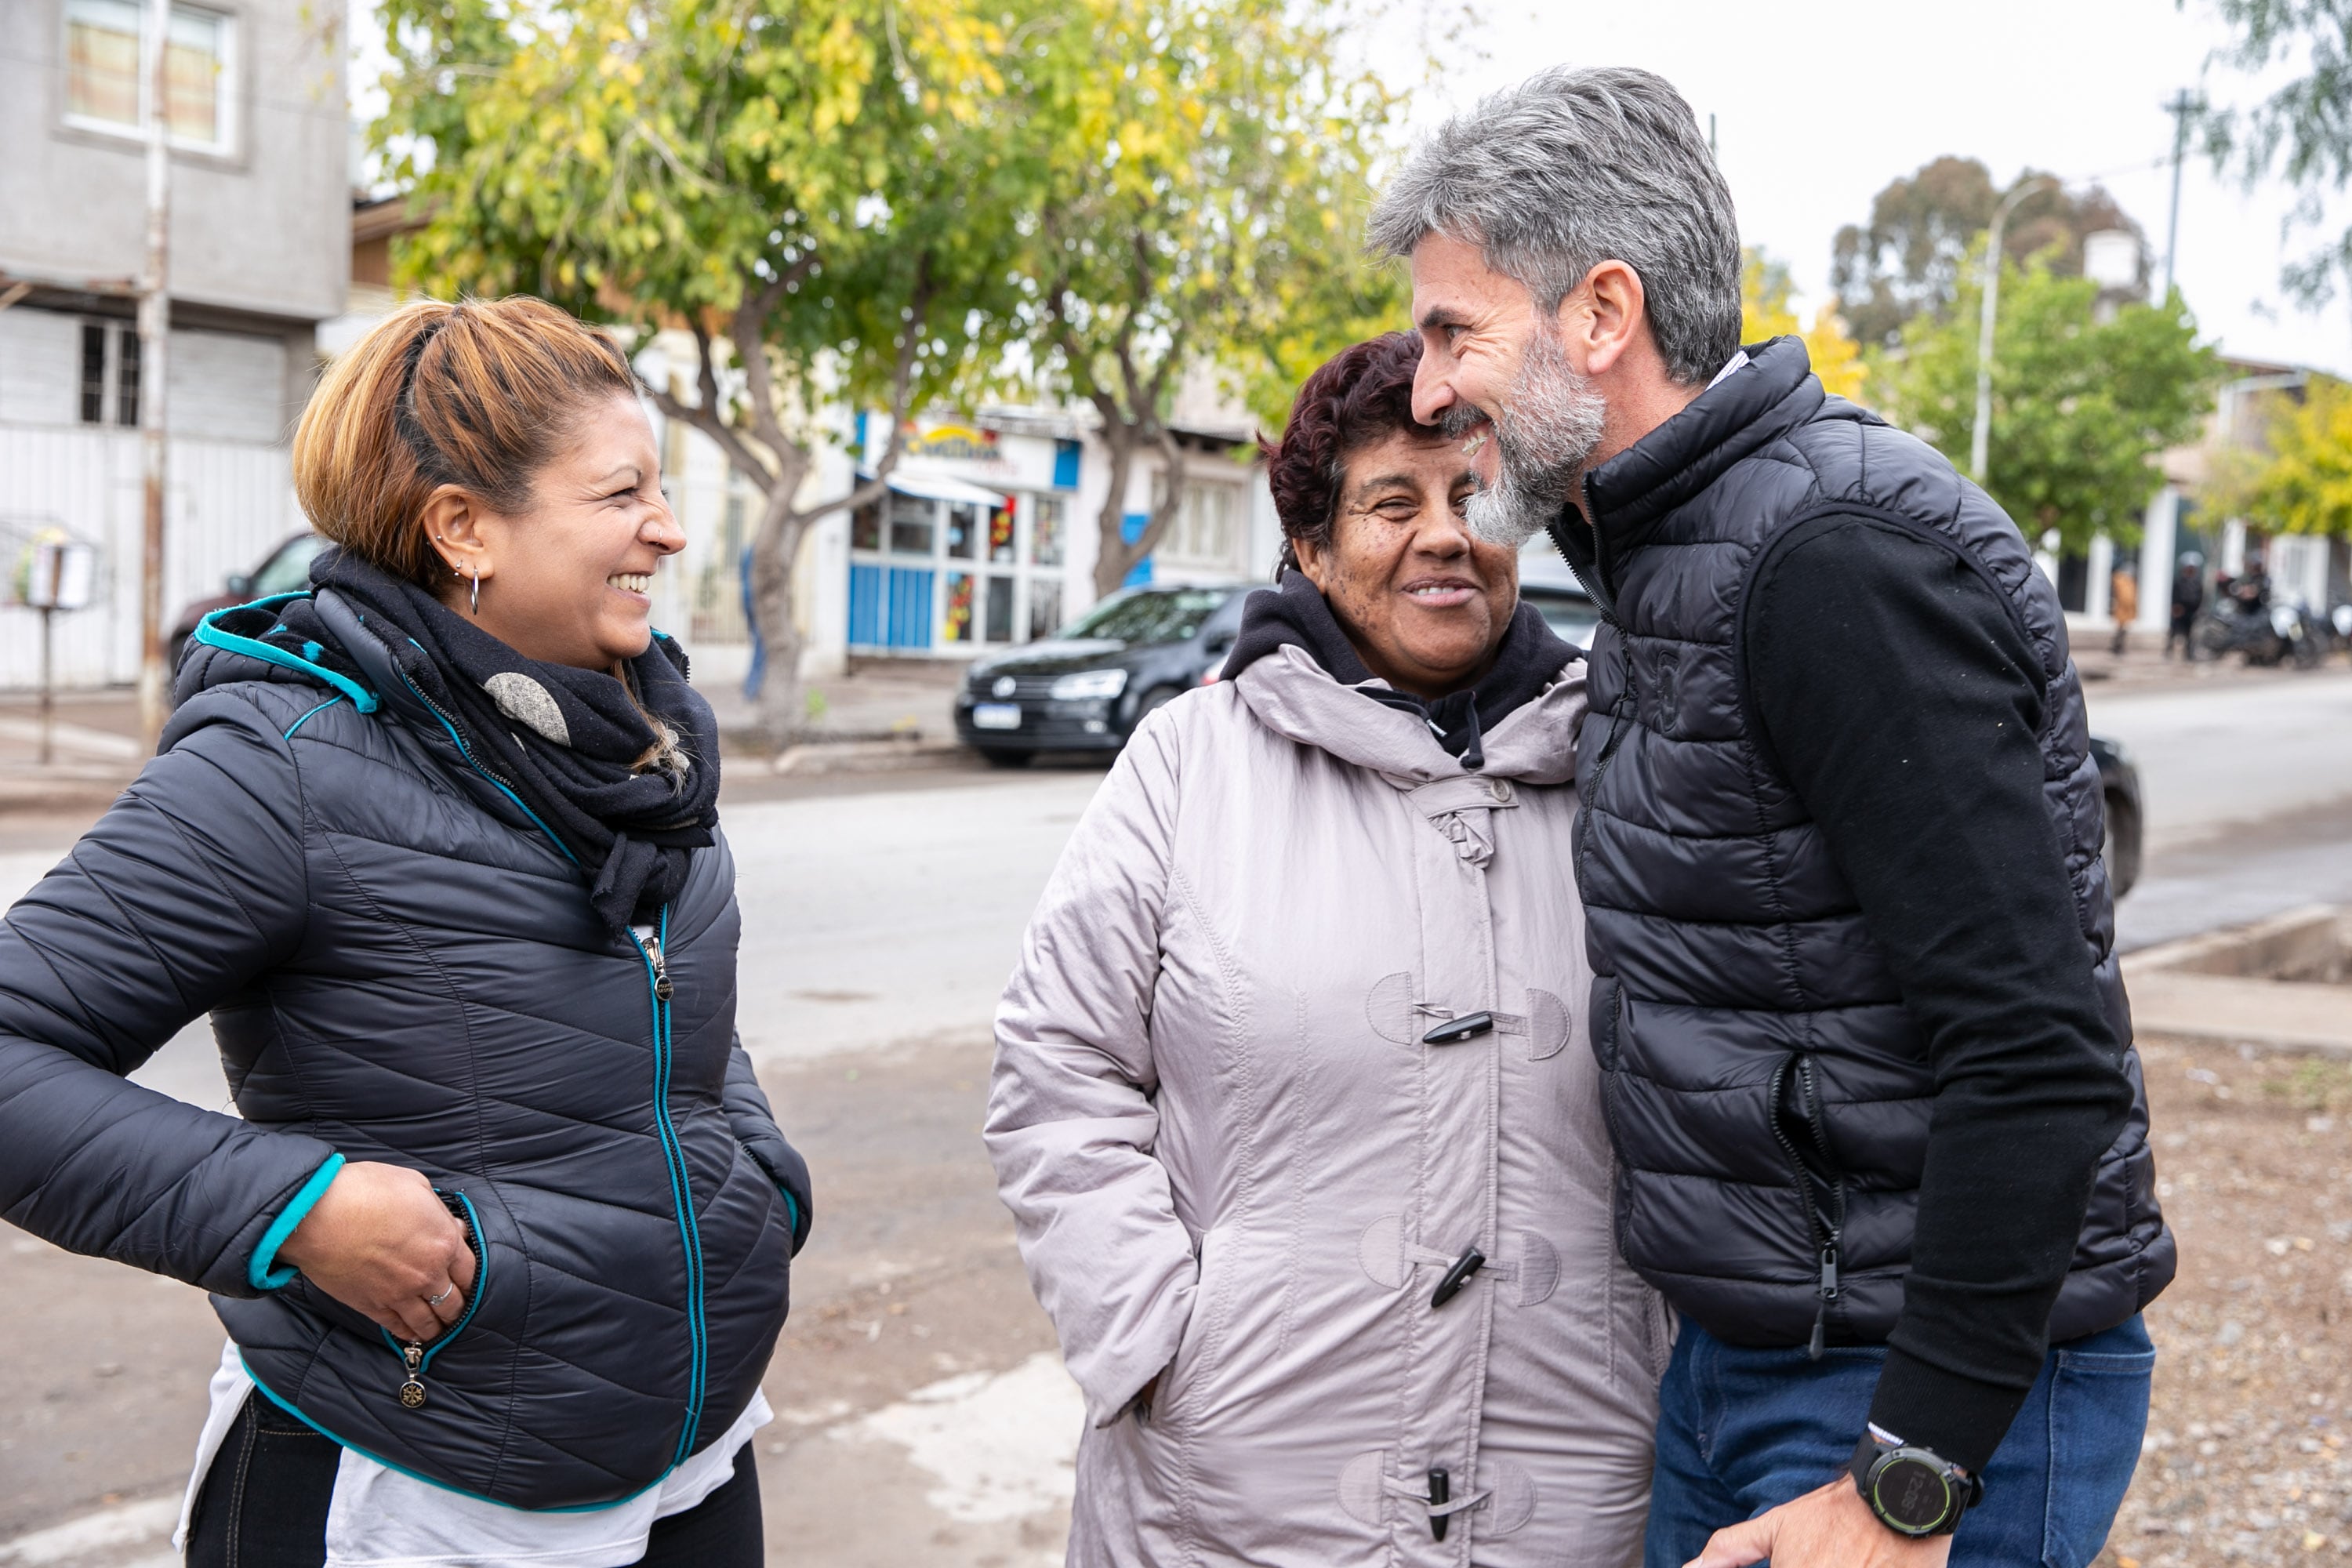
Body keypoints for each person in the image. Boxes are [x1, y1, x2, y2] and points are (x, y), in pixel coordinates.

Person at [1369, 66, 2172, 1568]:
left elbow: (2038, 1052)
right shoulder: (1673, 552)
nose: (1424, 390)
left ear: (1601, 317)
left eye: (1453, 331)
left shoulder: (1831, 559)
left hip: (1901, 1390)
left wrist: (1913, 1475)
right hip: (1760, 1356)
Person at [0, 296, 811, 1567]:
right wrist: (302, 1208)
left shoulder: (638, 747)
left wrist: (746, 1166)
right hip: (413, 1494)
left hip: (692, 1455)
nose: (667, 527)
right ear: (463, 527)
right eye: (620, 496)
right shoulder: (282, 767)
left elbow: (667, 1013)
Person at [986, 332, 1664, 1566]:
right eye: (1390, 503)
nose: (1444, 535)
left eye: (1477, 497)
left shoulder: (1618, 768)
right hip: (1234, 1486)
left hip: (1570, 1480)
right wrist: (1151, 1342)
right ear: (1310, 546)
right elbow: (1055, 1065)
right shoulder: (1191, 763)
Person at [2166, 554, 2204, 659]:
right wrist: (2175, 607)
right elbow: (2174, 595)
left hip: (2192, 611)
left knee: (2190, 634)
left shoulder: (2197, 582)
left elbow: (2200, 596)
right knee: (2174, 632)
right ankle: (2169, 651)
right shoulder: (2179, 581)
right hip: (2180, 610)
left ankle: (2189, 653)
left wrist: (2198, 609)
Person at [2110, 560, 2138, 656]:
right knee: (2120, 628)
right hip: (2121, 608)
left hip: (2128, 608)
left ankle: (2120, 646)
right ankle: (2117, 646)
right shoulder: (2120, 580)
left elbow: (2132, 596)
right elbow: (2119, 594)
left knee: (2124, 629)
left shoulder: (2130, 582)